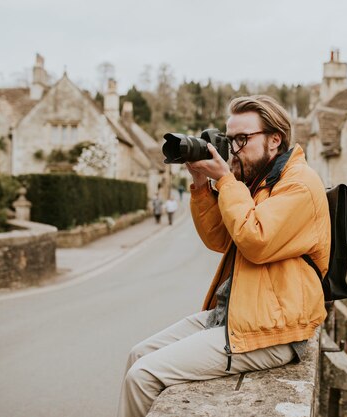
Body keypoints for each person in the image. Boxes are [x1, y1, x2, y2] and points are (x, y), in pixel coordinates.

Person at [117, 95, 330, 417]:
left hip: (276, 328)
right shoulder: (261, 180)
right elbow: (219, 239)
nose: (233, 149)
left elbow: (256, 241)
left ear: (275, 139)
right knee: (138, 354)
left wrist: (227, 181)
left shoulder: (298, 184)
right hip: (240, 312)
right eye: (230, 140)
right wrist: (202, 184)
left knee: (143, 375)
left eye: (242, 139)